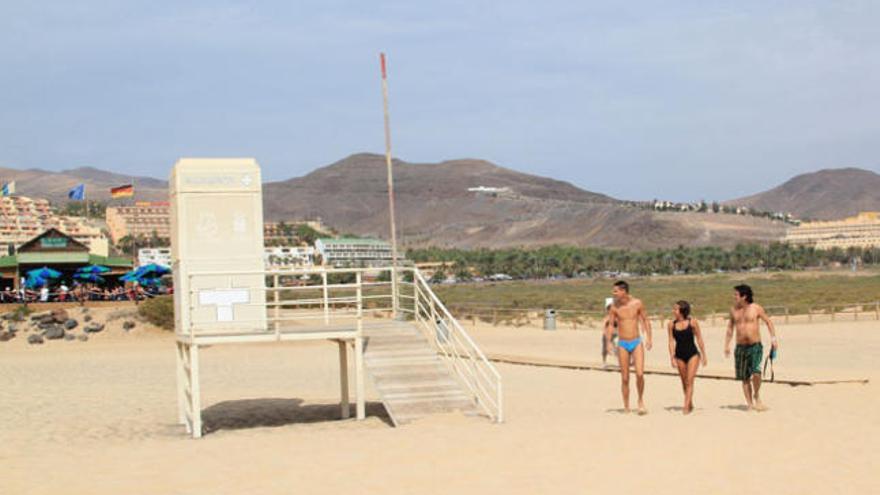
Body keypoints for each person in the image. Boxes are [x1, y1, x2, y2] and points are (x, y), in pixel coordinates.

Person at [724, 284, 778, 411]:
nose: (734, 297)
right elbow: (730, 328)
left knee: (756, 372)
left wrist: (773, 339)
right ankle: (749, 404)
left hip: (755, 346)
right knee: (744, 377)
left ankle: (757, 394)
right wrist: (727, 344)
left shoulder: (756, 308)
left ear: (744, 296)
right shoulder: (733, 310)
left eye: (736, 295)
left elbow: (768, 322)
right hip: (740, 347)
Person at [606, 280, 652, 414]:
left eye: (615, 291)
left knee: (639, 374)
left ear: (623, 291)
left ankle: (640, 401)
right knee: (625, 378)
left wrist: (649, 338)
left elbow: (645, 319)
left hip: (636, 342)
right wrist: (608, 342)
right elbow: (610, 324)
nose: (613, 293)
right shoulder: (614, 307)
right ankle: (626, 406)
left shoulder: (637, 303)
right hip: (622, 343)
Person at [667, 300, 707, 414]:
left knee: (689, 380)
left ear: (682, 311)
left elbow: (699, 338)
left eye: (675, 309)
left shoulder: (693, 322)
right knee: (684, 381)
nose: (673, 311)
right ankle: (689, 403)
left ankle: (685, 406)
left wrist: (704, 355)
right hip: (679, 355)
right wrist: (672, 357)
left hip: (693, 354)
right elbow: (670, 342)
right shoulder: (671, 324)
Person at [601, 297, 618, 366]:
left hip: (615, 334)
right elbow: (604, 326)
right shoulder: (607, 317)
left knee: (617, 347)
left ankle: (619, 362)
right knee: (604, 349)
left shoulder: (616, 316)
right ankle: (604, 362)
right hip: (607, 334)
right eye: (609, 307)